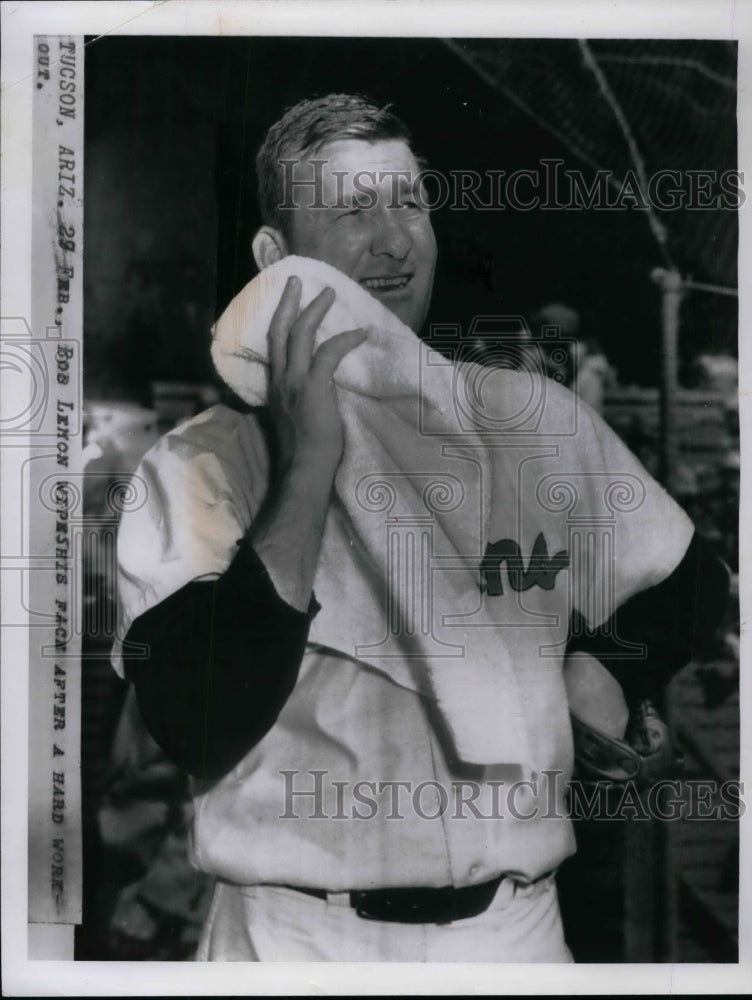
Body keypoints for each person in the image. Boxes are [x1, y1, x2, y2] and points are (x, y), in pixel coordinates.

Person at [112, 94, 728, 962]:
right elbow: (197, 721)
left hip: (513, 935)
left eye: (409, 201)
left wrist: (607, 674)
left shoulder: (529, 420)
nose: (394, 241)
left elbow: (687, 579)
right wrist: (307, 464)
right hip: (296, 942)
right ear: (275, 256)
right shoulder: (203, 464)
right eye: (352, 209)